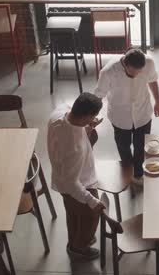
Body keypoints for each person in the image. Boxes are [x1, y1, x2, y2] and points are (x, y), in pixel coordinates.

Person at [47, 92, 105, 260]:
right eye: (93, 116)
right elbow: (71, 183)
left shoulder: (59, 113)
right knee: (91, 215)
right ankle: (80, 246)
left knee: (73, 213)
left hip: (61, 176)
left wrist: (87, 125)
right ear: (86, 115)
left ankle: (74, 241)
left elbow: (72, 127)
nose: (95, 118)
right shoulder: (74, 147)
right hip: (79, 182)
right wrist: (92, 201)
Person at [94, 48, 159, 186]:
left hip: (142, 113)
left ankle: (138, 174)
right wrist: (92, 117)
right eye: (132, 72)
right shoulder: (108, 72)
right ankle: (128, 171)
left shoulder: (149, 63)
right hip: (120, 117)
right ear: (125, 63)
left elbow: (153, 81)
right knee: (123, 146)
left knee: (140, 146)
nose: (136, 74)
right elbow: (98, 95)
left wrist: (158, 102)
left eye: (139, 72)